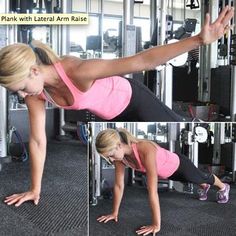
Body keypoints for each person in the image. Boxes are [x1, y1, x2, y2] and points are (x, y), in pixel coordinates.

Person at [1, 6, 234, 207]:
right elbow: (38, 140)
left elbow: (140, 61)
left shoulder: (77, 71)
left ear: (33, 70)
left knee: (177, 126)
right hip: (114, 113)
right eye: (16, 91)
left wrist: (198, 40)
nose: (22, 95)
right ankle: (203, 181)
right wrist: (35, 189)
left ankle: (217, 182)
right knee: (188, 173)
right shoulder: (35, 93)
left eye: (21, 87)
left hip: (135, 101)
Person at [95, 128, 230, 236]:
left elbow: (152, 190)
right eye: (108, 157)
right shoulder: (120, 159)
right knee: (191, 180)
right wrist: (114, 212)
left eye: (111, 155)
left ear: (119, 145)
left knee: (202, 177)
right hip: (168, 173)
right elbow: (119, 185)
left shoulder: (144, 148)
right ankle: (204, 186)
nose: (111, 160)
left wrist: (156, 225)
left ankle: (224, 187)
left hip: (180, 165)